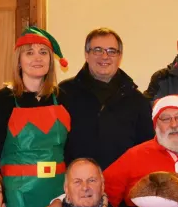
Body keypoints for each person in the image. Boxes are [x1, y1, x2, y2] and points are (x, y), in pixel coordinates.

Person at [0, 26, 72, 207]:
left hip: (55, 193)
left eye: (43, 52)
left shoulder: (63, 97)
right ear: (19, 60)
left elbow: (71, 151)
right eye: (29, 52)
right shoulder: (3, 99)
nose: (37, 58)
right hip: (16, 196)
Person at [58, 28, 154, 171]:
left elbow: (146, 149)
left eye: (111, 51)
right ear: (86, 54)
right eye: (97, 50)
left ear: (119, 56)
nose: (104, 56)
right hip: (77, 185)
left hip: (122, 186)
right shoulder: (64, 92)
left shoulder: (137, 100)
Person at [102, 96, 178, 207]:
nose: (174, 124)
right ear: (156, 125)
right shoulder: (135, 156)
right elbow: (102, 194)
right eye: (165, 119)